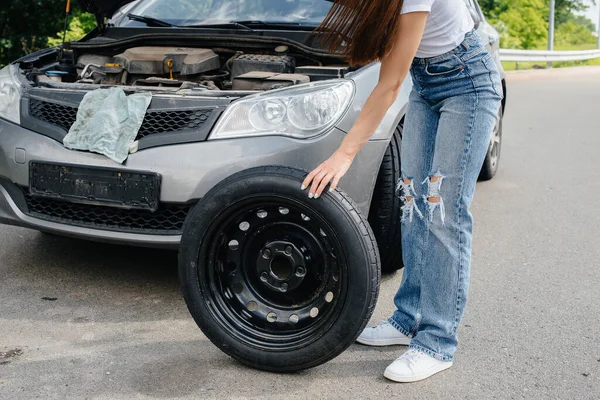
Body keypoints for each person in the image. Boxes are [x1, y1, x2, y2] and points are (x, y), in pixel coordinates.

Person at [302, 0, 503, 383]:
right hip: (426, 85)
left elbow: (390, 84)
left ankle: (437, 341)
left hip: (468, 85)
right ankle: (408, 317)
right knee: (412, 204)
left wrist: (343, 156)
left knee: (444, 213)